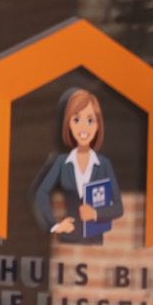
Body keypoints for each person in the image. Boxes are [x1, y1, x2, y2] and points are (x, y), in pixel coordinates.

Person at [31, 85, 122, 244]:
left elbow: (118, 207)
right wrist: (55, 225)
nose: (83, 127)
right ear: (68, 124)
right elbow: (41, 193)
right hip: (68, 241)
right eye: (77, 119)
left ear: (98, 125)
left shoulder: (104, 164)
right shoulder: (61, 162)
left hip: (94, 243)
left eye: (90, 120)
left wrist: (95, 213)